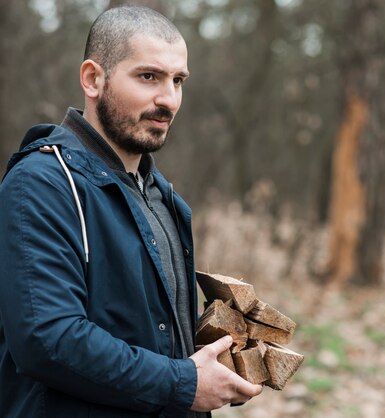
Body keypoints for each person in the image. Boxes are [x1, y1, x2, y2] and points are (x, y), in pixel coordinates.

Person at [0, 6, 262, 418]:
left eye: (178, 81)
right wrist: (184, 383)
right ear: (93, 79)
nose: (168, 99)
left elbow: (151, 335)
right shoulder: (43, 184)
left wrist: (221, 360)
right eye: (148, 77)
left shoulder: (161, 196)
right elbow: (46, 338)